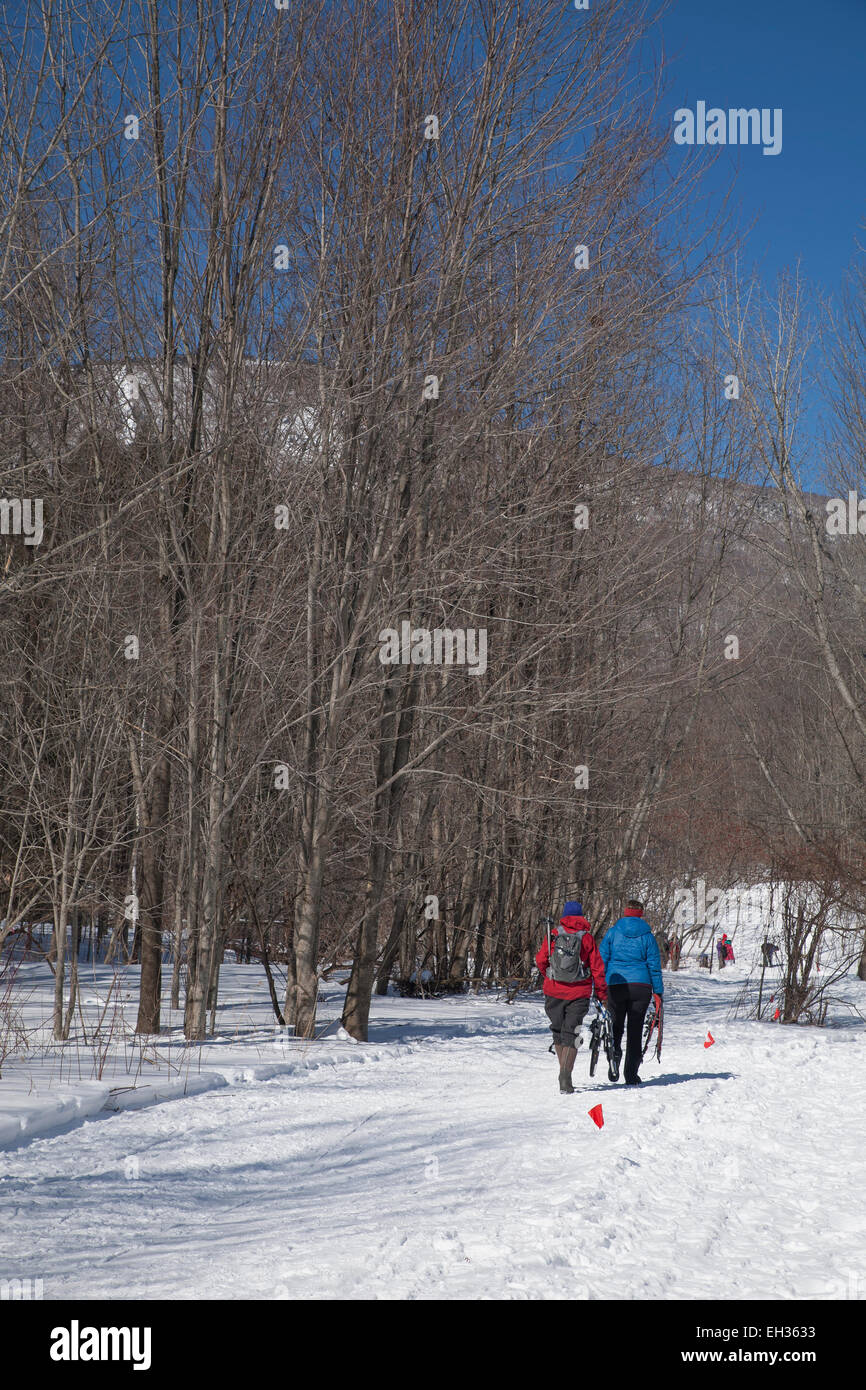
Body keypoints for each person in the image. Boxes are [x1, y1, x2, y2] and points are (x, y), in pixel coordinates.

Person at [535, 900, 608, 1095]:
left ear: (565, 915)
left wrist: (550, 977)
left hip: (554, 991)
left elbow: (541, 959)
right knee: (572, 1033)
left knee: (558, 1031)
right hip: (579, 993)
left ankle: (563, 1071)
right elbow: (597, 968)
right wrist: (601, 993)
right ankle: (565, 1075)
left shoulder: (553, 934)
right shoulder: (587, 938)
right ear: (581, 916)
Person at [600, 898, 663, 1086]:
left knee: (616, 1026)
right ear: (640, 913)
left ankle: (614, 1060)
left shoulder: (612, 933)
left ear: (625, 912)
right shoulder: (648, 936)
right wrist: (658, 991)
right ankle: (631, 1074)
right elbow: (654, 966)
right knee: (635, 1030)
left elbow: (601, 960)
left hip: (616, 984)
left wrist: (601, 985)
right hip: (641, 986)